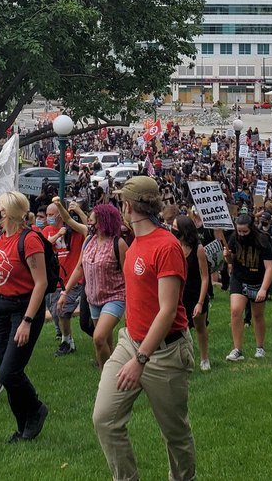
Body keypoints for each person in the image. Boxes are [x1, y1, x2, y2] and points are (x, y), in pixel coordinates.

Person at [92, 176, 195, 481]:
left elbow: (167, 310)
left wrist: (140, 360)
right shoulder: (135, 241)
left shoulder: (166, 246)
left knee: (175, 434)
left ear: (129, 206)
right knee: (104, 418)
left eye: (121, 202)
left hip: (165, 352)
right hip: (130, 342)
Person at [0, 190, 49, 442]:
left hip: (24, 308)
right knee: (8, 371)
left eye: (1, 208)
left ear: (10, 211)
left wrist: (27, 321)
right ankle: (23, 426)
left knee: (9, 373)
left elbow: (41, 283)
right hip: (1, 308)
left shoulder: (29, 240)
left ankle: (36, 409)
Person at [61, 203, 128, 369]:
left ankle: (107, 375)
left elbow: (128, 276)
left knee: (98, 338)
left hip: (115, 297)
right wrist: (65, 293)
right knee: (105, 341)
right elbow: (79, 268)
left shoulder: (118, 244)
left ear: (103, 220)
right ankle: (112, 375)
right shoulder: (89, 240)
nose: (89, 219)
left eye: (93, 217)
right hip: (93, 298)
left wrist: (132, 303)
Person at [223, 213, 272, 362]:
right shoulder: (234, 238)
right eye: (239, 231)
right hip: (239, 278)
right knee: (235, 311)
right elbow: (231, 261)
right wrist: (227, 256)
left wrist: (264, 289)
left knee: (257, 315)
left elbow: (270, 267)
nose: (241, 234)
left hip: (258, 280)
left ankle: (260, 347)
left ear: (251, 228)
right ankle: (237, 349)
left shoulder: (263, 240)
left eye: (245, 231)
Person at [44, 198, 87, 356]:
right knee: (56, 311)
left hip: (74, 280)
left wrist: (78, 211)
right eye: (46, 214)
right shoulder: (48, 231)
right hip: (56, 280)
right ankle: (66, 340)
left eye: (51, 214)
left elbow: (89, 228)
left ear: (60, 215)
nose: (48, 217)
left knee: (63, 311)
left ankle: (67, 342)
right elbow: (44, 246)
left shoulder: (75, 231)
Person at [173, 215, 211, 372]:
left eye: (175, 227)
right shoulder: (174, 246)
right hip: (179, 295)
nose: (172, 229)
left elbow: (205, 277)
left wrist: (200, 302)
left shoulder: (198, 249)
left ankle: (204, 359)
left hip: (196, 294)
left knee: (199, 326)